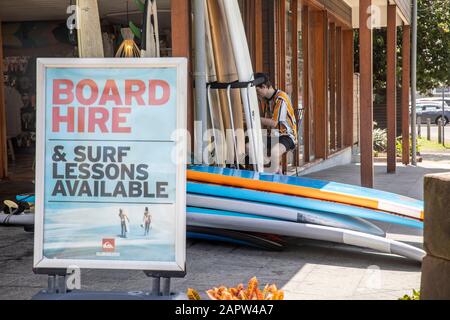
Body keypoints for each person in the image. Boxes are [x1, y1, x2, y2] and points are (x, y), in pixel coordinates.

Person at [254, 73, 298, 174]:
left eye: (257, 91)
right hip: (273, 135)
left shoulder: (281, 98)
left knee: (274, 152)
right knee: (249, 146)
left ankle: (274, 175)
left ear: (264, 86)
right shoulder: (265, 99)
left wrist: (254, 118)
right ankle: (275, 169)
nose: (257, 94)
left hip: (287, 135)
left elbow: (273, 123)